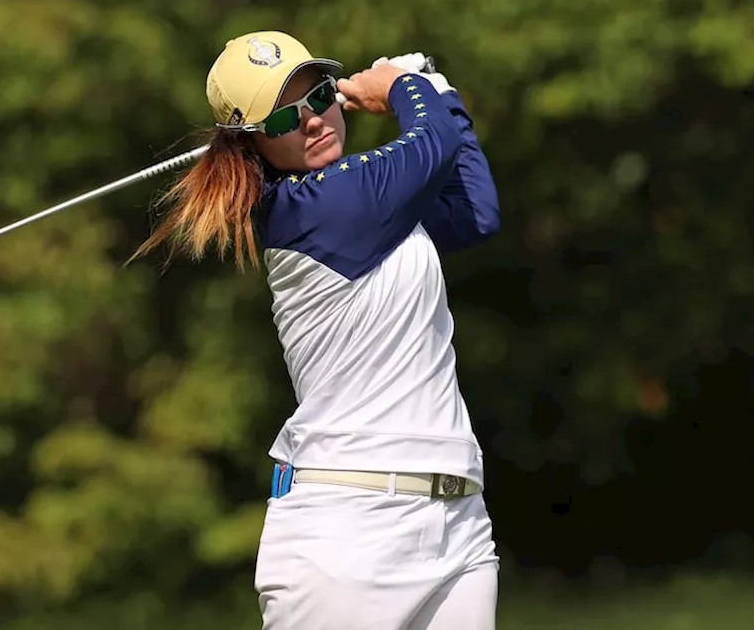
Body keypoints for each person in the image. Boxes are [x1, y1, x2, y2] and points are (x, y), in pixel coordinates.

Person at [131, 31, 501, 629]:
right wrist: (409, 84)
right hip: (347, 533)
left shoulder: (372, 208)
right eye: (283, 116)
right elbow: (432, 144)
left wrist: (439, 89)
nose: (311, 120)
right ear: (251, 143)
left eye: (320, 95)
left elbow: (475, 213)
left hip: (457, 522)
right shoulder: (314, 211)